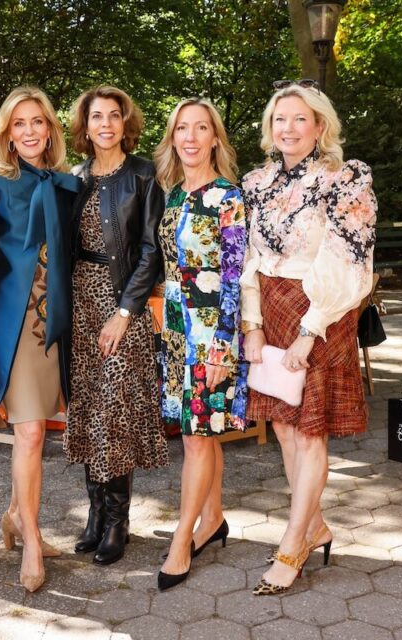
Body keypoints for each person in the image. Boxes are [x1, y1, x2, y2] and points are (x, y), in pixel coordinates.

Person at [240, 79, 377, 596]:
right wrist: (252, 323)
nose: (289, 128)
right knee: (284, 427)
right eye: (280, 119)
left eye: (300, 119)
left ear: (320, 126)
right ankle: (315, 524)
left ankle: (293, 543)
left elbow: (348, 257)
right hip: (271, 308)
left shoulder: (346, 177)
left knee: (311, 428)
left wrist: (308, 331)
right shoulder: (254, 183)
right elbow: (249, 259)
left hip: (322, 309)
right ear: (269, 129)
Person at [0, 86, 79, 593]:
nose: (31, 131)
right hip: (12, 324)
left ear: (51, 129)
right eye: (20, 124)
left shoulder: (66, 183)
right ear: (6, 134)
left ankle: (16, 514)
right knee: (31, 433)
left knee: (38, 430)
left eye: (38, 122)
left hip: (56, 324)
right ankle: (33, 539)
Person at [65, 85, 168, 566]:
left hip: (122, 303)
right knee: (89, 406)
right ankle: (94, 512)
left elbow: (151, 249)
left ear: (126, 123)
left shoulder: (144, 174)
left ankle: (118, 521)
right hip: (80, 300)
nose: (105, 124)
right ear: (84, 126)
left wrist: (125, 311)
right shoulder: (75, 178)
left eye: (114, 116)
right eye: (96, 116)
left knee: (115, 408)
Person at [153, 98, 248, 591]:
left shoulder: (228, 198)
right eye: (181, 129)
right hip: (176, 330)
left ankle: (181, 540)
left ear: (215, 138)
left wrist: (222, 347)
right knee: (201, 432)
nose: (190, 137)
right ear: (173, 138)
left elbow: (234, 278)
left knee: (195, 438)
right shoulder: (173, 196)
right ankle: (213, 519)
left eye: (201, 128)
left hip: (211, 333)